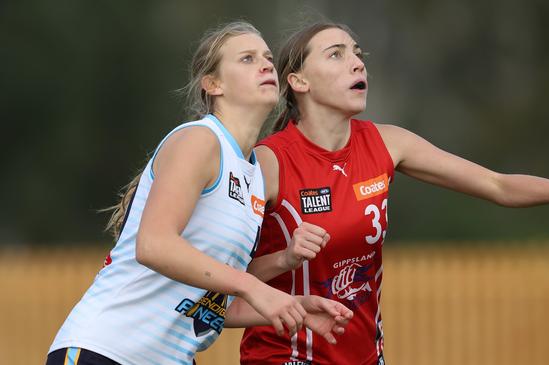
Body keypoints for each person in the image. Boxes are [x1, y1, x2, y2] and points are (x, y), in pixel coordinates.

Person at [239, 22, 549, 365]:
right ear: (298, 81)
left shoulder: (386, 143)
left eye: (358, 54)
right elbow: (226, 281)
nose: (357, 64)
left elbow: (497, 184)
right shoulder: (270, 162)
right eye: (336, 55)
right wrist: (285, 258)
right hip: (283, 355)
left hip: (363, 355)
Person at [46, 21, 352, 365]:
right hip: (106, 350)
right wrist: (254, 288)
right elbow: (154, 245)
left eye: (267, 56)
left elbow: (206, 303)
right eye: (248, 59)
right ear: (213, 84)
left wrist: (289, 295)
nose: (267, 64)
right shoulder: (200, 140)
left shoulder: (252, 172)